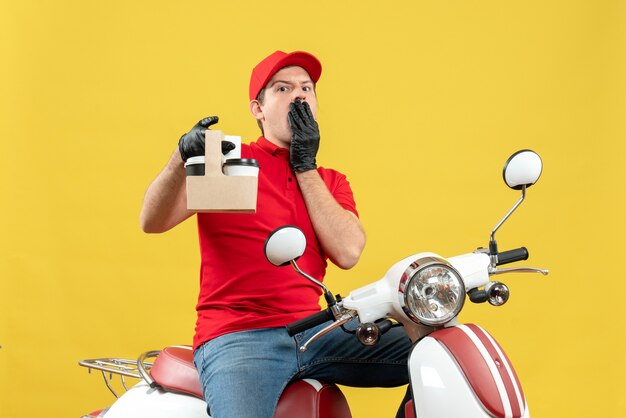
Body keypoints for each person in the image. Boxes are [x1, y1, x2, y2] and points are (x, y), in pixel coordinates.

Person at [140, 50, 412, 418]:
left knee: (434, 353)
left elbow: (348, 252)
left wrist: (304, 164)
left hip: (316, 331)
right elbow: (152, 221)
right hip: (240, 337)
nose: (299, 95)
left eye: (307, 88)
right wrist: (180, 159)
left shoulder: (329, 181)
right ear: (258, 109)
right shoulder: (232, 163)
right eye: (283, 88)